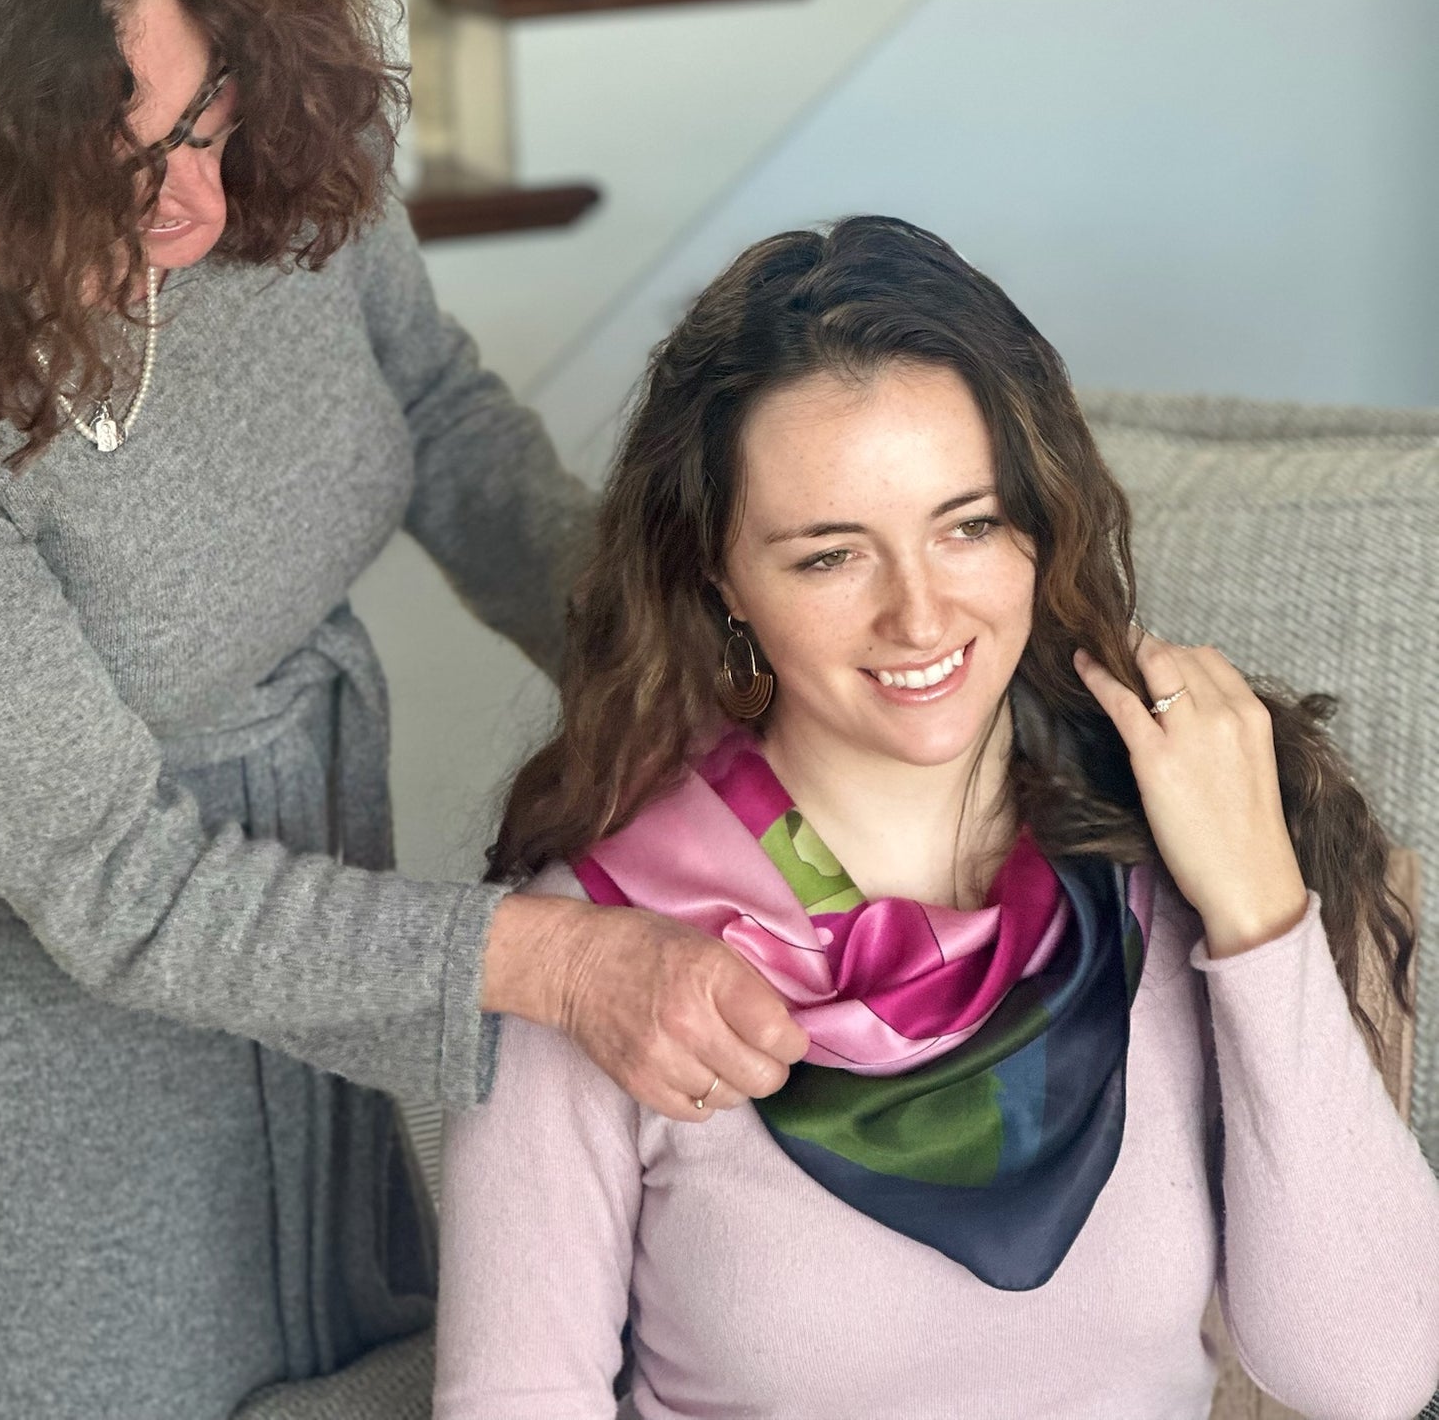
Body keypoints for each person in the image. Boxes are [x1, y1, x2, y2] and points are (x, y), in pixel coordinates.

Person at [0, 0, 805, 1420]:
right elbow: (133, 890)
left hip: (314, 913)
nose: (195, 201)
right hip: (60, 1093)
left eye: (199, 117)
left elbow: (442, 416)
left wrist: (688, 678)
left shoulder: (269, 177)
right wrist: (556, 963)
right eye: (117, 178)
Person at [434, 215, 1439, 1420]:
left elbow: (1369, 1373)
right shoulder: (594, 955)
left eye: (968, 525)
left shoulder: (1166, 872)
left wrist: (1260, 909)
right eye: (829, 556)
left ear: (1040, 523)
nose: (921, 617)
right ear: (719, 577)